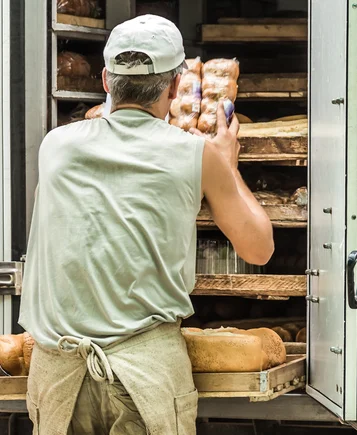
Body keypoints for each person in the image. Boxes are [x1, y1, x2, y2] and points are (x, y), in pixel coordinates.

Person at [18, 14, 274, 435]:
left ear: (105, 80)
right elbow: (258, 248)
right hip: (147, 377)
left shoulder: (56, 146)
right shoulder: (195, 153)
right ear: (174, 88)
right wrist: (226, 165)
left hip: (58, 379)